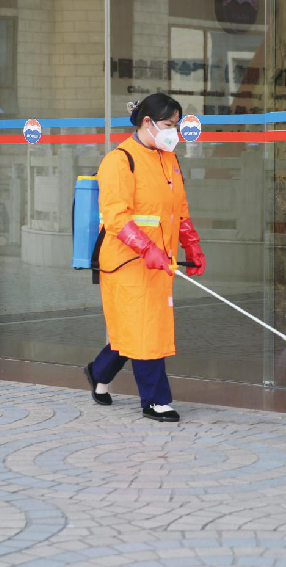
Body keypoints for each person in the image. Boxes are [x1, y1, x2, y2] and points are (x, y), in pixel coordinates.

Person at [83, 93, 206, 423]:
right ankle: (156, 400)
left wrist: (191, 246)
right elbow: (116, 216)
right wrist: (146, 247)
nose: (174, 132)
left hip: (159, 262)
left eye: (176, 125)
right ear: (147, 122)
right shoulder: (119, 160)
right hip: (126, 263)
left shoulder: (169, 160)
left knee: (133, 330)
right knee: (145, 329)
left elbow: (179, 210)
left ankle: (98, 372)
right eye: (169, 125)